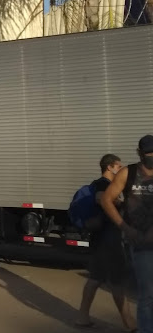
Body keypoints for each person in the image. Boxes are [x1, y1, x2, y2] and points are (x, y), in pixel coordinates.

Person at [75, 154, 137, 331]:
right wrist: (121, 203)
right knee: (116, 281)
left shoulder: (100, 184)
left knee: (95, 278)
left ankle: (82, 318)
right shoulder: (103, 184)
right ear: (109, 167)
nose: (121, 169)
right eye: (118, 166)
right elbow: (101, 199)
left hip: (101, 237)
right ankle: (130, 324)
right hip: (109, 238)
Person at [102, 135, 153, 333]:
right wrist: (125, 227)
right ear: (139, 153)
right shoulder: (127, 173)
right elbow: (107, 200)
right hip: (140, 243)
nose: (151, 156)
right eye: (147, 153)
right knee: (146, 295)